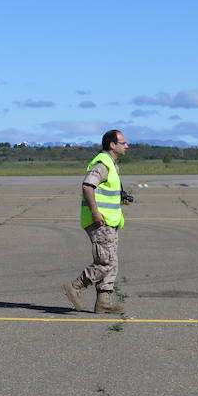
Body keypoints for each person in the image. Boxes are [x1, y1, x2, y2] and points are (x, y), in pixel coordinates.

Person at [63, 129, 132, 314]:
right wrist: (95, 213)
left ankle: (103, 302)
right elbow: (87, 186)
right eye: (123, 143)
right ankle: (75, 286)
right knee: (106, 262)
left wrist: (120, 199)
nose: (127, 146)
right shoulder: (102, 164)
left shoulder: (112, 165)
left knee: (111, 262)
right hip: (100, 221)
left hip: (110, 221)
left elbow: (104, 193)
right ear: (112, 145)